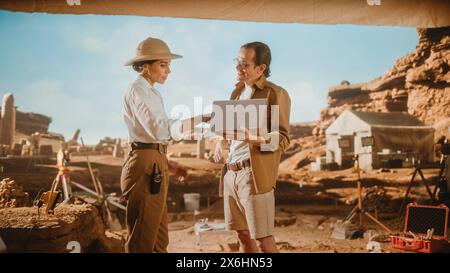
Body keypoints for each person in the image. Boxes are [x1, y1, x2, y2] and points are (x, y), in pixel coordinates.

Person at [121, 37, 208, 253]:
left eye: (168, 65)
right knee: (143, 239)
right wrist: (198, 119)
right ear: (144, 66)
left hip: (154, 162)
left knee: (159, 239)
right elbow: (159, 130)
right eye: (163, 64)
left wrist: (168, 164)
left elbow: (156, 137)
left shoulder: (152, 92)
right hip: (144, 164)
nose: (168, 70)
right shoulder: (138, 90)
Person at [214, 42, 291, 253]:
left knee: (263, 241)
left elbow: (283, 138)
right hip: (231, 173)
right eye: (237, 62)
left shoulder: (274, 94)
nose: (238, 68)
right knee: (243, 235)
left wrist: (257, 138)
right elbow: (229, 131)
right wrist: (221, 141)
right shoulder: (236, 92)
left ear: (261, 68)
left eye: (244, 64)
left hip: (253, 176)